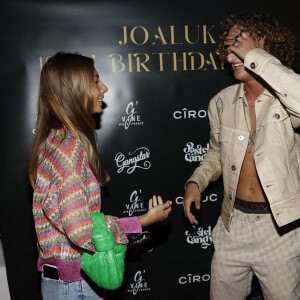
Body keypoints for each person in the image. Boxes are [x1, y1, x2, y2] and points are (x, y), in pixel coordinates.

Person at [28, 52, 172, 300]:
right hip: (75, 287)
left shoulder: (55, 141)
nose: (104, 89)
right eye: (95, 81)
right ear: (74, 89)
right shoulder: (68, 150)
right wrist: (143, 221)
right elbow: (82, 230)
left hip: (64, 283)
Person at [182, 12, 300, 300]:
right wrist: (196, 182)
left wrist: (256, 57)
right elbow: (217, 152)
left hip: (280, 230)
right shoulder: (221, 102)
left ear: (264, 44)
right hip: (232, 226)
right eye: (227, 47)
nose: (230, 54)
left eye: (239, 43)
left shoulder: (288, 98)